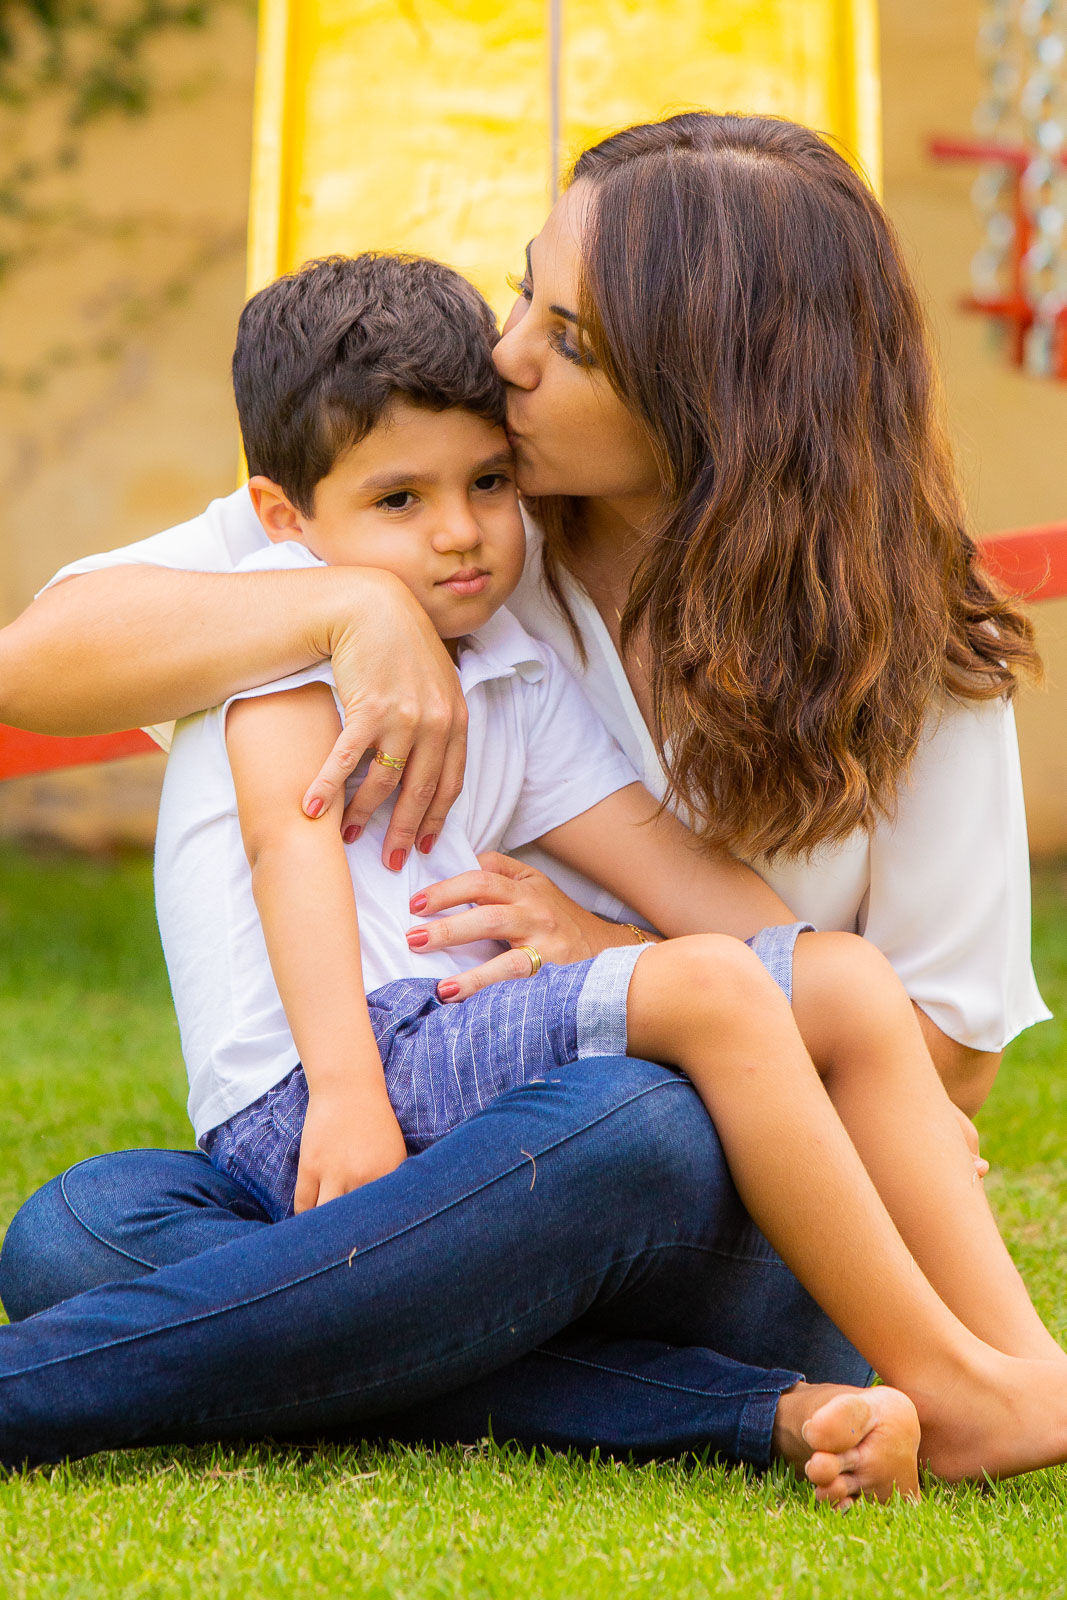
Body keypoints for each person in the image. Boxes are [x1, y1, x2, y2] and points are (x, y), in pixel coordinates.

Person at [0, 113, 1052, 1502]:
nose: (507, 354)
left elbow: (943, 1072)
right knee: (87, 1227)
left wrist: (603, 954)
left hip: (715, 1187)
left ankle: (253, 1338)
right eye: (522, 290)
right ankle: (768, 1412)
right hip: (442, 1155)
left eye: (572, 338)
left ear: (703, 394)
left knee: (631, 1129)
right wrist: (343, 604)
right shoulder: (436, 526)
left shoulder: (906, 648)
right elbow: (37, 659)